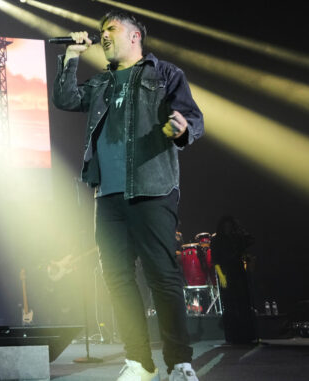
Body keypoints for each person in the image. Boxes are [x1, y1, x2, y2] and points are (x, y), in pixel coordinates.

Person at [52, 10, 204, 381]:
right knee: (118, 279)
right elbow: (65, 99)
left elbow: (193, 119)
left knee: (162, 277)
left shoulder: (164, 74)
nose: (103, 35)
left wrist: (182, 128)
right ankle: (140, 362)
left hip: (152, 188)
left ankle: (179, 362)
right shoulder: (101, 83)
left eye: (111, 29)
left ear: (135, 36)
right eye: (101, 30)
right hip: (107, 195)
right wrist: (70, 57)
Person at [211, 215, 256, 344]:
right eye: (226, 226)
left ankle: (247, 335)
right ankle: (232, 337)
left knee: (243, 303)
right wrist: (221, 276)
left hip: (238, 271)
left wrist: (240, 229)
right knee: (229, 305)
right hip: (225, 273)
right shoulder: (216, 240)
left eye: (230, 226)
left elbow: (251, 239)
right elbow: (216, 261)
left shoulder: (237, 239)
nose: (228, 228)